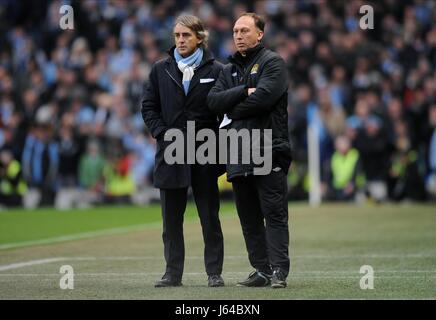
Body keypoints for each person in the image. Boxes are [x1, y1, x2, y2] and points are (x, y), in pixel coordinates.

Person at [208, 13, 292, 288]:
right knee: (248, 217)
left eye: (245, 30)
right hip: (237, 151)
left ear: (260, 35)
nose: (239, 35)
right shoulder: (227, 69)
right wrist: (244, 91)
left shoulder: (273, 62)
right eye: (235, 31)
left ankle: (279, 271)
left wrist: (232, 106)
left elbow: (265, 99)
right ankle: (262, 270)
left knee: (274, 212)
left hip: (268, 147)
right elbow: (213, 102)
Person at [141, 15, 225, 288]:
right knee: (171, 221)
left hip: (205, 150)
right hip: (171, 150)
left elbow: (226, 111)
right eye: (177, 35)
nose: (180, 40)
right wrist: (161, 132)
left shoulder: (217, 70)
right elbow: (148, 106)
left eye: (186, 35)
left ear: (200, 37)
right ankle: (172, 273)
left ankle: (214, 272)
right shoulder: (160, 69)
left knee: (209, 217)